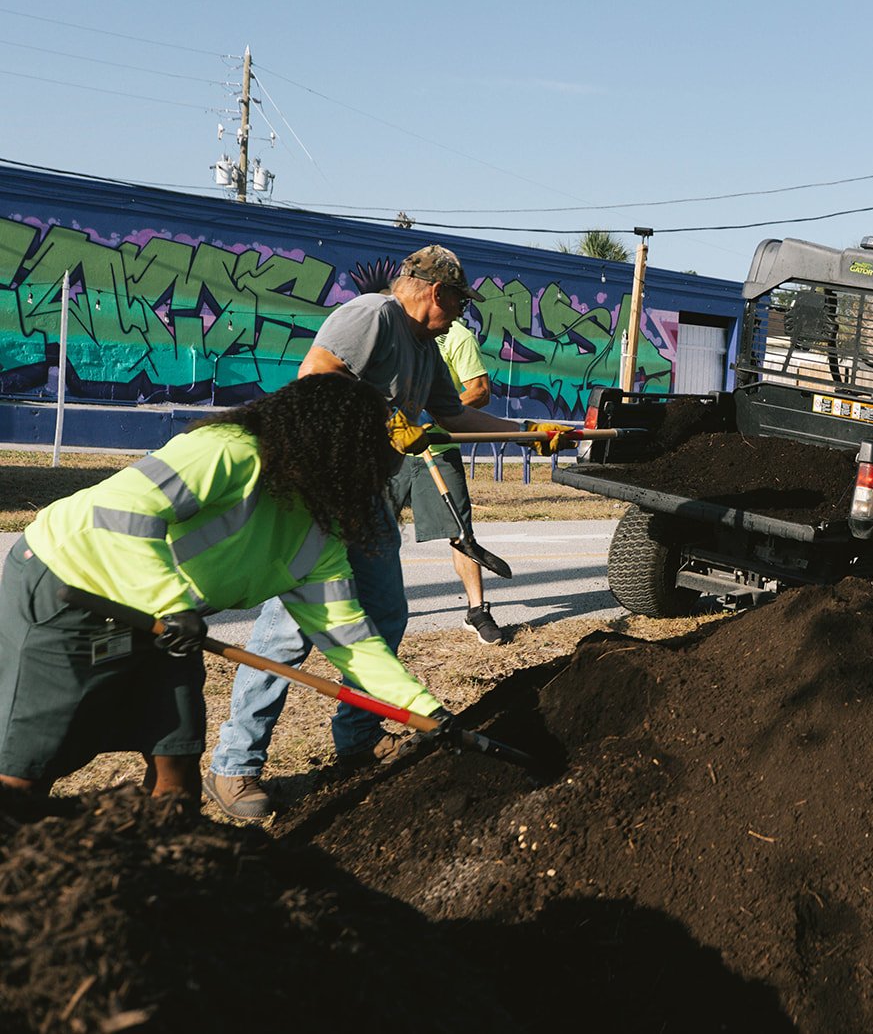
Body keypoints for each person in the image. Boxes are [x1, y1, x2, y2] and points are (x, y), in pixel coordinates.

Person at [206, 245, 566, 820]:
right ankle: (234, 764)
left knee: (385, 614)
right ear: (435, 292)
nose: (460, 314)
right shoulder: (373, 314)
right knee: (287, 633)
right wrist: (384, 417)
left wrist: (528, 432)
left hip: (367, 495)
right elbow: (315, 375)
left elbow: (455, 415)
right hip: (321, 490)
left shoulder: (426, 347)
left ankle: (358, 738)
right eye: (459, 303)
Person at [0, 374, 451, 804]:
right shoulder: (229, 450)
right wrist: (171, 605)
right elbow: (123, 512)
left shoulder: (321, 537)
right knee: (28, 767)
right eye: (366, 472)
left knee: (176, 759)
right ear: (333, 454)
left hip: (168, 620)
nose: (371, 489)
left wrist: (428, 712)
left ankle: (173, 851)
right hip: (71, 588)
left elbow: (350, 639)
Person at [387, 317, 508, 645]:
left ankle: (476, 611)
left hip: (437, 447)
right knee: (370, 527)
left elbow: (479, 391)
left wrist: (431, 414)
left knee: (460, 533)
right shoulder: (392, 331)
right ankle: (352, 604)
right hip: (389, 450)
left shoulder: (457, 336)